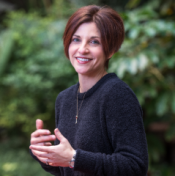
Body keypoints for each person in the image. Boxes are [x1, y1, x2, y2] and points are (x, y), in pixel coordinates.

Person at [29, 5, 148, 176]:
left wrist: (74, 158)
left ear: (111, 50)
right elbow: (65, 168)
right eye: (76, 39)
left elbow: (135, 166)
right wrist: (42, 151)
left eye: (94, 42)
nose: (82, 49)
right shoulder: (64, 99)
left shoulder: (117, 94)